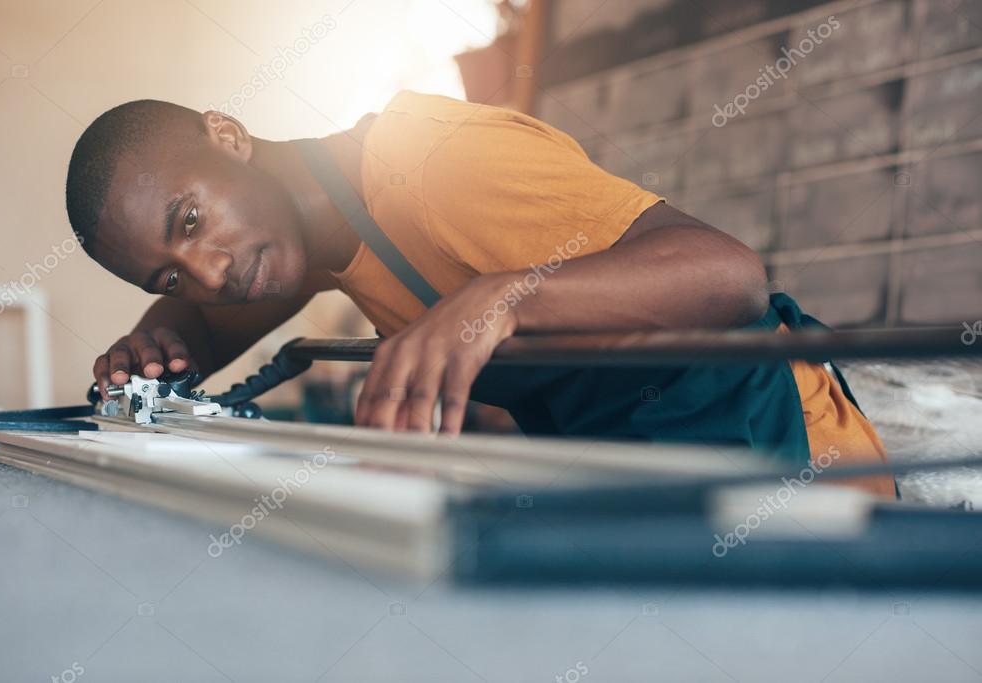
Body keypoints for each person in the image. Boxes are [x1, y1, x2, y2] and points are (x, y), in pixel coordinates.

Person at [65, 92, 894, 496]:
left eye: (190, 218)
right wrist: (157, 337)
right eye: (168, 272)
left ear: (230, 137)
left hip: (791, 468)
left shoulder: (434, 165)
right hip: (647, 480)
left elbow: (727, 272)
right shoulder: (296, 242)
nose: (209, 271)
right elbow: (211, 308)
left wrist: (501, 299)